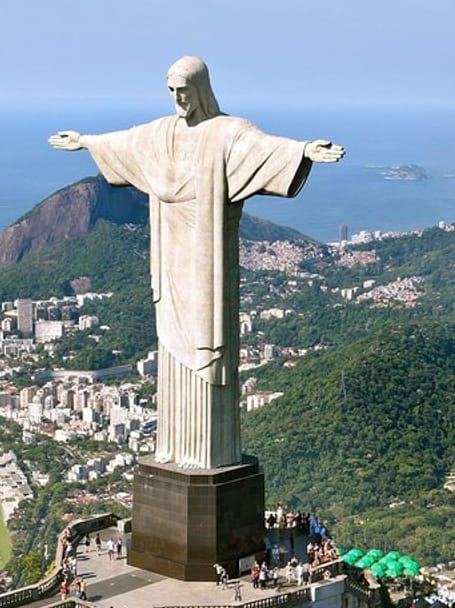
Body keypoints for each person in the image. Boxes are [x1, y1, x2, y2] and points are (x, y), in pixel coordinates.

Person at [49, 56, 343, 469]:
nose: (176, 99)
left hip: (207, 261)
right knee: (170, 344)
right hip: (170, 258)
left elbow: (263, 150)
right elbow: (126, 143)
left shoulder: (226, 133)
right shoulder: (161, 133)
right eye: (170, 91)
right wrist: (85, 140)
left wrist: (303, 151)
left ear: (201, 89)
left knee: (209, 346)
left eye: (182, 90)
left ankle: (210, 453)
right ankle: (174, 449)